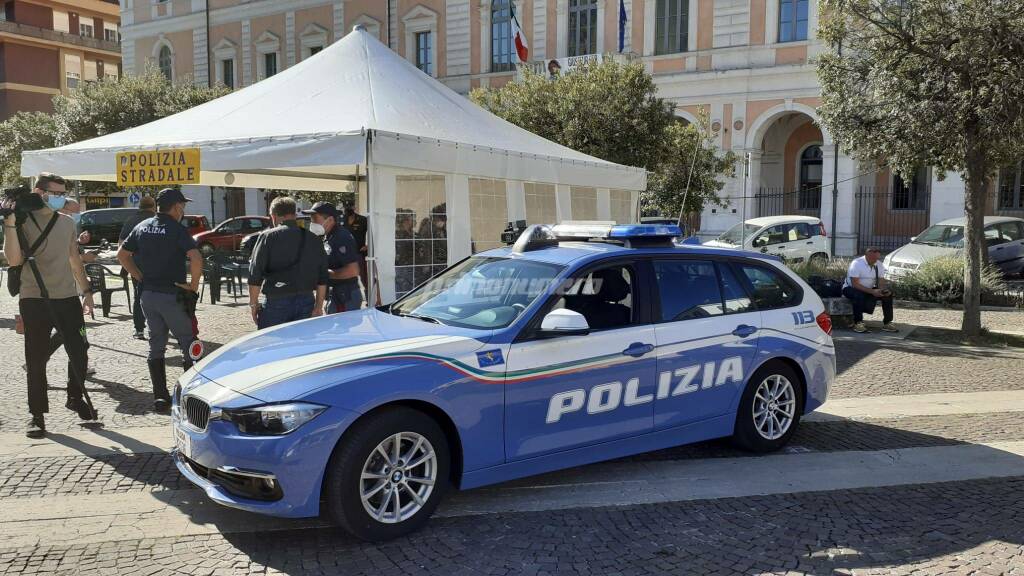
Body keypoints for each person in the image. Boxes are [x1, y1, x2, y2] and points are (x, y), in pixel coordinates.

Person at [2, 174, 96, 438]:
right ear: (39, 192)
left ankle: (75, 397)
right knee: (36, 357)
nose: (61, 199)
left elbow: (74, 259)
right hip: (34, 298)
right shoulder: (21, 221)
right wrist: (9, 223)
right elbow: (14, 260)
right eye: (56, 193)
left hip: (67, 297)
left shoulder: (66, 223)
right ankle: (37, 414)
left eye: (63, 194)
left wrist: (86, 291)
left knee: (79, 350)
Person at [117, 188, 202, 412]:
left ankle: (160, 397)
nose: (183, 210)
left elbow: (122, 255)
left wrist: (139, 276)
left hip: (148, 295)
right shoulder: (176, 229)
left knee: (156, 345)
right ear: (176, 207)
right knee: (188, 342)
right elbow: (196, 257)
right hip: (172, 293)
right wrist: (193, 286)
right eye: (182, 206)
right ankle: (190, 396)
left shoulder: (142, 226)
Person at [248, 196, 328, 329]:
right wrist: (318, 307)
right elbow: (323, 277)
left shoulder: (268, 237)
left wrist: (253, 304)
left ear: (274, 216)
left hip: (277, 301)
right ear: (294, 214)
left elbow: (255, 275)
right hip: (306, 300)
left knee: (271, 345)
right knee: (303, 347)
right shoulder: (314, 239)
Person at [303, 202, 363, 313]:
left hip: (345, 296)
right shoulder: (328, 236)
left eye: (315, 218)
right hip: (337, 294)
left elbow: (353, 270)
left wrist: (323, 274)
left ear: (330, 220)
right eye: (311, 219)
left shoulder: (341, 237)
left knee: (342, 329)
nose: (312, 223)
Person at [118, 195, 156, 340]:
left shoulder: (131, 220)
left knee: (138, 295)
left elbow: (121, 244)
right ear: (153, 206)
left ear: (140, 206)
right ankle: (159, 326)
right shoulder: (158, 220)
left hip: (135, 264)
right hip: (156, 264)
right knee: (161, 294)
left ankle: (139, 329)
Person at [842, 247, 897, 334]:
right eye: (872, 258)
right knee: (858, 295)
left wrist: (882, 290)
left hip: (869, 289)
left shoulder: (879, 264)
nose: (875, 260)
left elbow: (881, 282)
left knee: (887, 295)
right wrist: (872, 292)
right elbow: (855, 284)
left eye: (877, 258)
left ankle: (887, 323)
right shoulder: (856, 263)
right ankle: (858, 322)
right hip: (851, 288)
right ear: (866, 256)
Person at [341, 200, 369, 295]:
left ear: (354, 207)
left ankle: (369, 298)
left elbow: (373, 234)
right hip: (344, 255)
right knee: (346, 278)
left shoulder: (363, 220)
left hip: (359, 254)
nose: (348, 209)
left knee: (365, 279)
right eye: (346, 207)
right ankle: (347, 298)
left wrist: (368, 246)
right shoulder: (340, 220)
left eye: (350, 207)